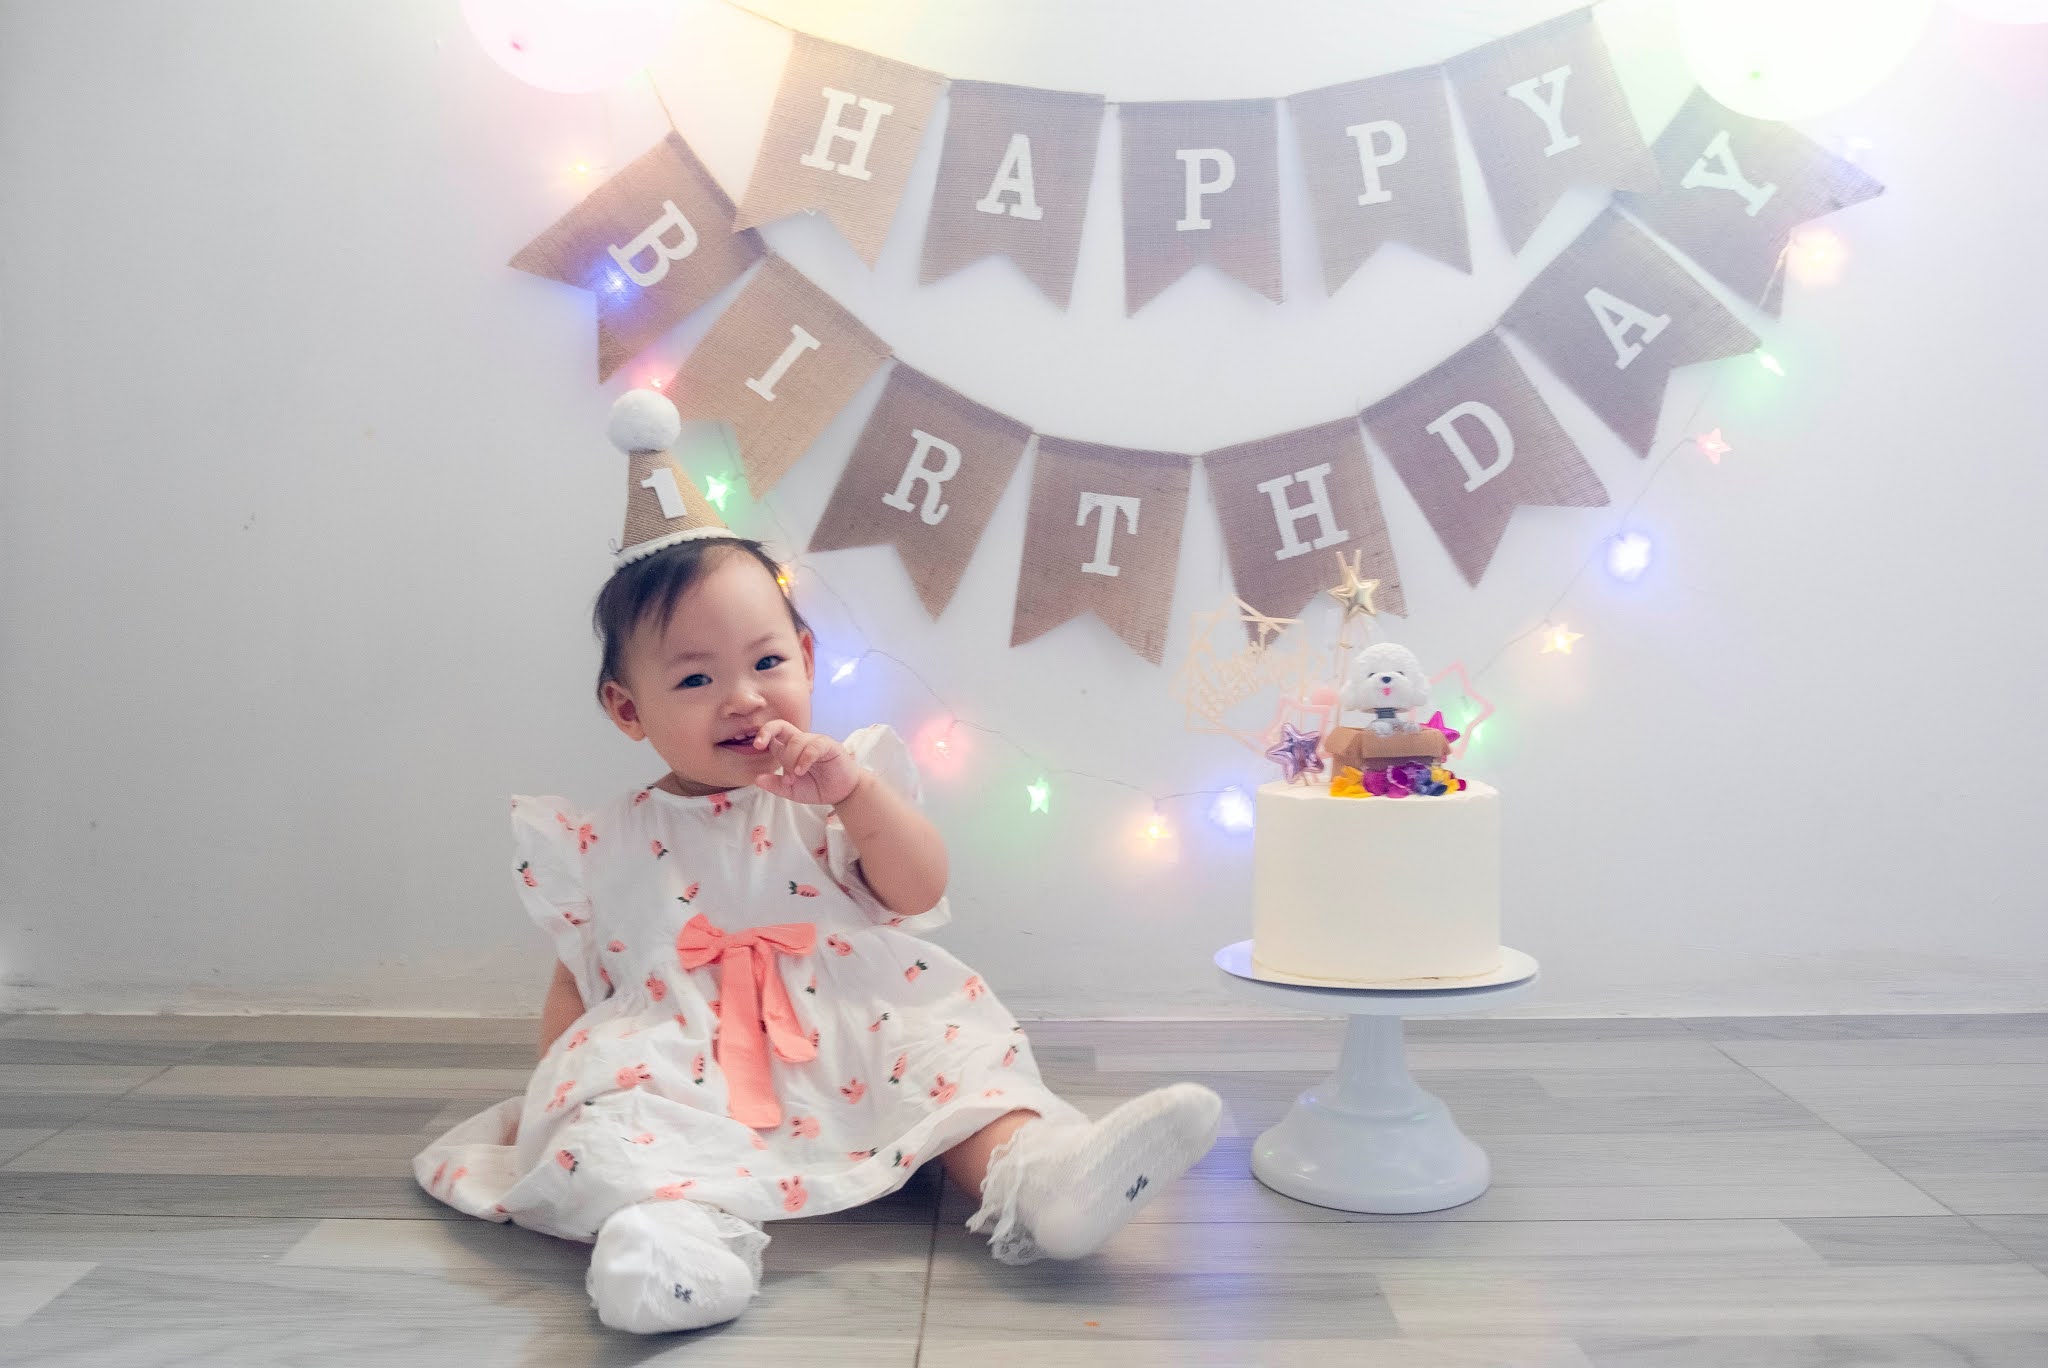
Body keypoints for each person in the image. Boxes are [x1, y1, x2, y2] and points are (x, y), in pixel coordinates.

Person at [413, 392, 1221, 1335]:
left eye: (766, 663)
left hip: (851, 1028)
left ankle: (1041, 1179)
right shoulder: (598, 843)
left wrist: (855, 797)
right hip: (684, 1052)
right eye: (695, 678)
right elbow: (577, 978)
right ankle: (671, 1244)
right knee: (621, 1124)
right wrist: (568, 1084)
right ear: (628, 710)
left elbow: (919, 888)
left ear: (804, 656)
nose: (743, 698)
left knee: (953, 1069)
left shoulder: (831, 790)